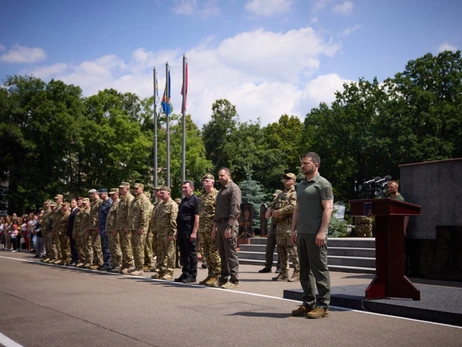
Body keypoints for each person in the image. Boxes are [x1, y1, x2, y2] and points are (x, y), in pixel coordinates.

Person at [291, 152, 334, 319]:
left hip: (316, 235)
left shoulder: (323, 184)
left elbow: (328, 208)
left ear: (316, 165)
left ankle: (323, 306)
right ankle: (308, 302)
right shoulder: (301, 185)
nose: (303, 166)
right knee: (305, 271)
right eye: (302, 163)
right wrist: (293, 230)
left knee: (320, 270)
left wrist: (322, 231)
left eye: (306, 163)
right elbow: (297, 209)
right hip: (302, 233)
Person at [212, 167, 241, 289]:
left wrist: (229, 226)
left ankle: (234, 280)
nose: (220, 178)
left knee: (230, 253)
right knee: (222, 253)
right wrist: (215, 227)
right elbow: (218, 210)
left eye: (222, 175)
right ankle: (223, 278)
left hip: (229, 223)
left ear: (228, 175)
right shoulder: (222, 190)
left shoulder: (233, 188)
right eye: (219, 176)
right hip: (220, 224)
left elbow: (235, 210)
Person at [268, 173, 300, 282]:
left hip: (290, 225)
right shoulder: (281, 194)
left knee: (292, 249)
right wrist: (271, 211)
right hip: (280, 225)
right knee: (281, 249)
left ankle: (297, 271)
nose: (285, 180)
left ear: (293, 180)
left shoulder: (295, 193)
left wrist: (279, 211)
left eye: (288, 178)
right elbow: (273, 205)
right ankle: (284, 272)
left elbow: (293, 207)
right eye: (284, 178)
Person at [198, 174, 221, 286]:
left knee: (214, 253)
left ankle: (217, 276)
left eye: (207, 181)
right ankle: (210, 274)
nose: (204, 183)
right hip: (203, 229)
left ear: (213, 182)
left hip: (212, 228)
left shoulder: (217, 195)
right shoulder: (202, 197)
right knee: (206, 254)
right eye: (203, 181)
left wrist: (215, 228)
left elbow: (218, 213)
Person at [175, 180, 200, 283]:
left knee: (191, 253)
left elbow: (197, 217)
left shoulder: (195, 200)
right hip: (181, 230)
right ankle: (185, 273)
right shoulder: (184, 200)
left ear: (192, 188)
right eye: (183, 188)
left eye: (186, 187)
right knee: (184, 253)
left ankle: (192, 275)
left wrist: (194, 232)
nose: (184, 190)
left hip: (189, 230)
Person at [152, 187, 178, 281]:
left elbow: (173, 221)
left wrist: (172, 233)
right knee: (160, 253)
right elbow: (156, 219)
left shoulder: (172, 205)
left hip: (168, 233)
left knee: (170, 253)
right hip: (160, 233)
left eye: (163, 193)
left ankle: (169, 272)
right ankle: (160, 271)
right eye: (160, 193)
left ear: (169, 193)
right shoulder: (160, 205)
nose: (161, 195)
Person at [128, 183, 151, 276]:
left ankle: (140, 268)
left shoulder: (143, 199)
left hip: (139, 229)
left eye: (137, 188)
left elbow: (145, 215)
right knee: (135, 248)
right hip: (134, 228)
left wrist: (142, 227)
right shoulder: (135, 199)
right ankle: (137, 266)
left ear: (142, 189)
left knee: (139, 248)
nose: (135, 190)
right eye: (134, 188)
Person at [258, 190, 282, 274]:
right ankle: (268, 267)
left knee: (280, 249)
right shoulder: (273, 205)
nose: (274, 197)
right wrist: (271, 208)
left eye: (276, 196)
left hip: (281, 228)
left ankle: (280, 267)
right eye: (274, 196)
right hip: (273, 228)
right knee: (269, 248)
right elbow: (267, 216)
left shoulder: (283, 205)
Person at [116, 181, 134, 274]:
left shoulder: (129, 199)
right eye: (120, 188)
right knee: (123, 246)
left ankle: (128, 265)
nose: (120, 190)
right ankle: (124, 264)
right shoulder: (122, 199)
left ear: (127, 189)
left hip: (126, 227)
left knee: (127, 246)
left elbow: (130, 214)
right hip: (121, 227)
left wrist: (128, 225)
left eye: (122, 188)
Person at [106, 188, 122, 273]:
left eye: (113, 194)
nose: (111, 196)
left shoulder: (118, 203)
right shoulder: (113, 204)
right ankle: (114, 264)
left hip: (114, 229)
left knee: (116, 247)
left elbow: (118, 218)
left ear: (117, 194)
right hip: (110, 229)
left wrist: (116, 228)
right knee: (112, 247)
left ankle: (119, 264)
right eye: (110, 195)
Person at [97, 189, 113, 270]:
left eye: (101, 194)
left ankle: (109, 263)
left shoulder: (109, 203)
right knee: (103, 246)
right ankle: (105, 262)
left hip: (107, 228)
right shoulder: (102, 203)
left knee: (107, 246)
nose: (99, 195)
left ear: (105, 193)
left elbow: (109, 217)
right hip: (102, 228)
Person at [88, 189, 103, 270]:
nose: (90, 196)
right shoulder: (92, 204)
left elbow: (100, 215)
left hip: (97, 227)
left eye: (92, 194)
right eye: (89, 194)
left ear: (95, 194)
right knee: (93, 245)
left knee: (97, 245)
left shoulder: (100, 202)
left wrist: (98, 226)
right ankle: (96, 261)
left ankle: (100, 262)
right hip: (92, 227)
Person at [67, 198, 79, 265]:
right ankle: (73, 259)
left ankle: (76, 259)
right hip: (71, 231)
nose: (71, 204)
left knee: (75, 246)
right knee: (72, 245)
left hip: (74, 231)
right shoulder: (72, 211)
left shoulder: (76, 211)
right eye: (71, 203)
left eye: (73, 203)